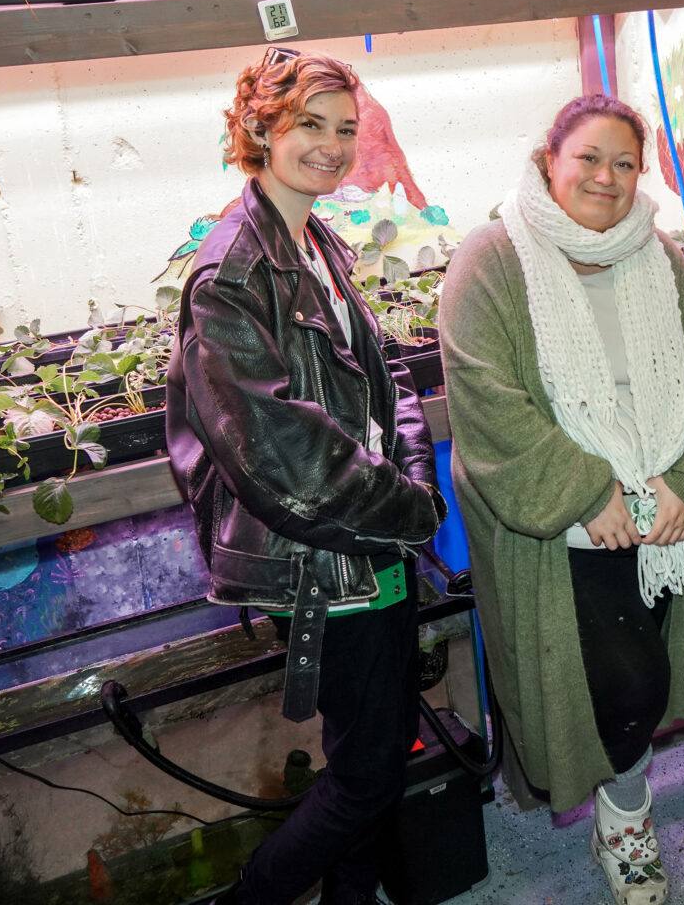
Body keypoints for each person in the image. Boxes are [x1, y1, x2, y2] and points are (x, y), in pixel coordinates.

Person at [164, 47, 445, 905]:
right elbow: (283, 457)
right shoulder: (232, 274)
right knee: (366, 776)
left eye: (345, 130)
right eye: (308, 126)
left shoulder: (313, 238)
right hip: (331, 553)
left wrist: (411, 476)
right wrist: (410, 508)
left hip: (374, 533)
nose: (331, 146)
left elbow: (383, 374)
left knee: (373, 750)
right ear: (259, 128)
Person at [439, 94, 684, 905]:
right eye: (589, 159)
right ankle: (628, 818)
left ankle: (623, 804)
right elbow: (485, 397)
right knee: (621, 684)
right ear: (549, 162)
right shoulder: (493, 258)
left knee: (646, 671)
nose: (606, 178)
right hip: (563, 526)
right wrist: (584, 490)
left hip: (661, 514)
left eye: (625, 163)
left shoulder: (660, 254)